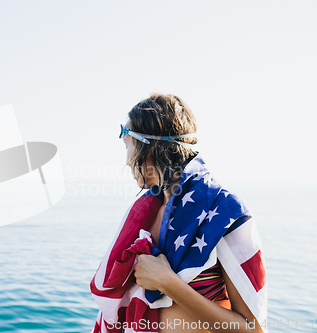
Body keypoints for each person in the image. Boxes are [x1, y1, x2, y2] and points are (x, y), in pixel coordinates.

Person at [90, 93, 267, 333]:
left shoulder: (225, 212)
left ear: (147, 146)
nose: (128, 161)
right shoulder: (143, 213)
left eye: (127, 147)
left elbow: (253, 329)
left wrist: (168, 283)